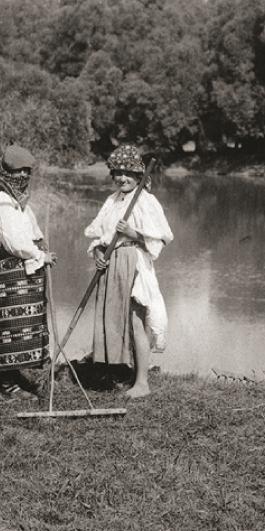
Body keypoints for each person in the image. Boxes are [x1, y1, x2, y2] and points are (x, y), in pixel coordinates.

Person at [83, 144, 173, 399]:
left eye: (128, 173)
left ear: (138, 175)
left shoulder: (145, 201)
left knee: (137, 321)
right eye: (118, 173)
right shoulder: (113, 200)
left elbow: (162, 238)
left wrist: (134, 234)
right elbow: (101, 235)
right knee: (115, 320)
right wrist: (99, 254)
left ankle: (142, 383)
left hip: (133, 263)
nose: (122, 178)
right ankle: (122, 371)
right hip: (112, 265)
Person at [0, 145, 56, 399]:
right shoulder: (2, 200)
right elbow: (14, 241)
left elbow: (31, 230)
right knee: (13, 329)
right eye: (18, 171)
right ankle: (6, 388)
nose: (23, 176)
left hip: (27, 270)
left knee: (25, 327)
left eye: (28, 171)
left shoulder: (18, 199)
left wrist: (41, 243)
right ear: (6, 171)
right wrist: (38, 255)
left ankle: (14, 378)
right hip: (13, 270)